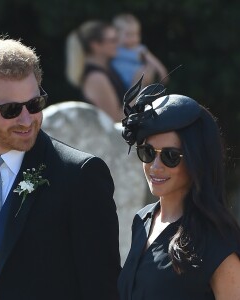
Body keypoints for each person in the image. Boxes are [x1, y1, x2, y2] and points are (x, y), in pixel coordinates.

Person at [0, 37, 121, 300]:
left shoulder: (80, 174)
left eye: (35, 104)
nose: (27, 120)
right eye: (11, 109)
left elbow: (101, 287)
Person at [118, 77, 240, 299]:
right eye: (147, 152)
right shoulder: (142, 219)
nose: (155, 166)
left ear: (197, 160)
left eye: (170, 156)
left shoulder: (218, 241)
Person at [65, 20, 126, 122]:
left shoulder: (106, 70)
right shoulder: (96, 78)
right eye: (113, 40)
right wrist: (139, 89)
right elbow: (115, 121)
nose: (118, 44)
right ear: (95, 45)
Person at [112, 13, 168, 89]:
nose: (133, 38)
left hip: (137, 81)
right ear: (116, 34)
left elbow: (153, 61)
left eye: (136, 34)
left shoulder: (139, 49)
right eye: (128, 35)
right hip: (118, 82)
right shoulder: (114, 47)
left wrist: (162, 72)